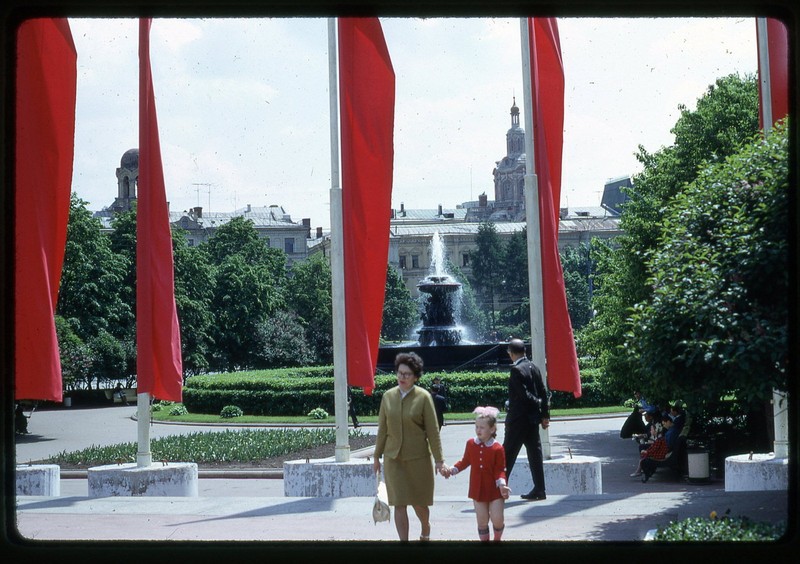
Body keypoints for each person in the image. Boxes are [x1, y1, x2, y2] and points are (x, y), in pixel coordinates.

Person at [373, 352, 447, 541]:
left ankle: (425, 527)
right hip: (393, 459)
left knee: (419, 503)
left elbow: (433, 431)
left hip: (418, 459)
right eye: (399, 373)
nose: (402, 377)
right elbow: (382, 429)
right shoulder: (388, 396)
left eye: (407, 374)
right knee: (399, 503)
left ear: (415, 376)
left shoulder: (423, 397)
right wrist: (376, 456)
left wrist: (439, 460)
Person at [443, 406, 510, 542]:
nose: (478, 430)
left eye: (482, 427)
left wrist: (502, 484)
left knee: (497, 519)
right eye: (477, 427)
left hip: (495, 489)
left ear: (492, 430)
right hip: (477, 489)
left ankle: (497, 540)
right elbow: (465, 461)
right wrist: (452, 470)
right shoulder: (471, 444)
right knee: (482, 521)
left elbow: (500, 469)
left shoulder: (497, 448)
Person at [502, 338, 550, 501]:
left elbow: (524, 395)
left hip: (517, 421)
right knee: (535, 455)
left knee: (506, 455)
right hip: (532, 420)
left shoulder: (516, 370)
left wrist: (537, 402)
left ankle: (499, 490)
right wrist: (544, 415)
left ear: (512, 354)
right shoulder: (534, 367)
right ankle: (540, 489)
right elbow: (543, 391)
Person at [631, 412, 674, 479]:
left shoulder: (664, 433)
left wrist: (647, 451)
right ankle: (641, 468)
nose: (664, 424)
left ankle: (641, 469)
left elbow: (657, 445)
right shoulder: (666, 432)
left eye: (664, 423)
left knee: (643, 452)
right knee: (643, 449)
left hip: (662, 450)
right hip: (662, 448)